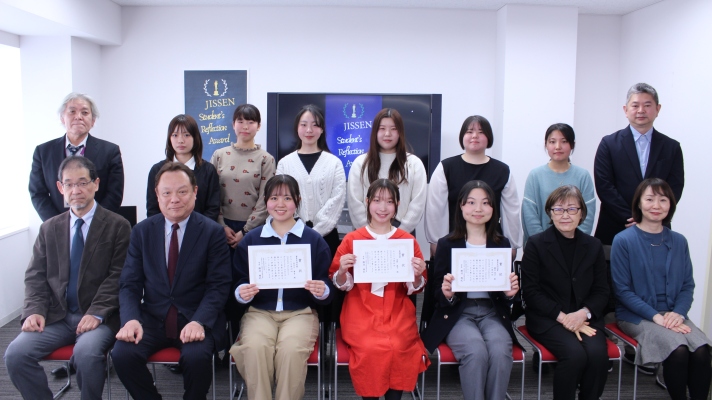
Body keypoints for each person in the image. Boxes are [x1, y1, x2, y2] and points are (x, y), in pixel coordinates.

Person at [5, 156, 130, 400]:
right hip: (57, 316)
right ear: (60, 188)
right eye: (69, 184)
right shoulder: (49, 228)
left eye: (82, 182)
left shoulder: (118, 225)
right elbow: (36, 275)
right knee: (16, 354)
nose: (76, 190)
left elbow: (119, 276)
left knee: (86, 354)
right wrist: (34, 310)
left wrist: (96, 313)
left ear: (96, 184)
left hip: (100, 318)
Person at [111, 162, 231, 400]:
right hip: (153, 318)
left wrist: (199, 321)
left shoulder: (212, 232)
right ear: (157, 195)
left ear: (195, 192)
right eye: (166, 193)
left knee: (197, 358)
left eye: (182, 191)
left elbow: (218, 286)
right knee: (122, 354)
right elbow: (130, 284)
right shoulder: (142, 231)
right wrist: (131, 319)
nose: (174, 199)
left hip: (195, 317)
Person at [230, 174, 334, 400]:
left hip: (301, 313)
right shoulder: (252, 239)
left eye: (287, 198)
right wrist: (242, 292)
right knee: (255, 348)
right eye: (274, 198)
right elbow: (238, 281)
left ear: (297, 201)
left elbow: (327, 285)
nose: (280, 204)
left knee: (291, 351)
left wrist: (322, 290)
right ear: (265, 201)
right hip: (259, 312)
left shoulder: (313, 240)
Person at [611, 178, 711, 400]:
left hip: (674, 315)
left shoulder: (679, 241)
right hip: (637, 316)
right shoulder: (623, 240)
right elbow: (622, 290)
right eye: (649, 199)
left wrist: (679, 313)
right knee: (678, 350)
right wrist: (656, 317)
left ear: (670, 205)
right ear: (639, 203)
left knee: (702, 350)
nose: (656, 206)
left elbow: (687, 285)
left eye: (663, 200)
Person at [331, 178, 430, 400]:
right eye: (377, 200)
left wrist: (417, 274)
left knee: (400, 345)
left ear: (397, 205)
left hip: (397, 310)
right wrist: (342, 270)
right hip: (361, 309)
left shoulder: (406, 240)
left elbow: (416, 287)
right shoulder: (352, 239)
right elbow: (339, 283)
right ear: (367, 202)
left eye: (389, 202)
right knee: (370, 348)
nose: (382, 208)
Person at [421, 180, 520, 400]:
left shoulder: (502, 243)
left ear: (493, 208)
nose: (478, 209)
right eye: (471, 202)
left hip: (491, 312)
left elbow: (508, 294)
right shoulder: (446, 244)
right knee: (475, 352)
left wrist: (510, 294)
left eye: (485, 203)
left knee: (501, 351)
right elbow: (436, 292)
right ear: (461, 206)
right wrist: (446, 294)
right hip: (458, 313)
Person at [521, 185, 610, 400]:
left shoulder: (594, 245)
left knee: (598, 355)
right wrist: (564, 318)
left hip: (584, 317)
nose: (565, 215)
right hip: (549, 318)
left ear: (581, 213)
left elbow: (602, 291)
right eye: (558, 209)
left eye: (571, 209)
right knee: (574, 355)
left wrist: (582, 314)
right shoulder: (536, 244)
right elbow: (530, 292)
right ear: (550, 213)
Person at [594, 83, 684, 246]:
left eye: (647, 105)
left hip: (657, 227)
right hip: (615, 226)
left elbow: (675, 187)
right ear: (626, 110)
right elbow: (604, 186)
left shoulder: (672, 147)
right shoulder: (609, 144)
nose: (641, 110)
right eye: (635, 105)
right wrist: (633, 217)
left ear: (657, 109)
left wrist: (649, 217)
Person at [425, 115, 522, 256]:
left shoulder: (502, 170)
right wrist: (436, 242)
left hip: (493, 244)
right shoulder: (446, 167)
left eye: (481, 132)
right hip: (454, 242)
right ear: (462, 136)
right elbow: (435, 210)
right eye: (469, 131)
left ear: (489, 137)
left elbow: (511, 212)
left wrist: (512, 245)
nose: (475, 136)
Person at [29, 92, 124, 221]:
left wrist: (94, 223)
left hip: (98, 226)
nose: (78, 117)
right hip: (58, 226)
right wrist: (58, 224)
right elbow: (38, 193)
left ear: (93, 120)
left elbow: (114, 194)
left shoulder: (110, 151)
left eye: (84, 113)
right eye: (72, 111)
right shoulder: (43, 152)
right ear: (62, 118)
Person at [276, 104, 346, 256]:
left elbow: (337, 199)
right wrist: (297, 229)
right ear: (297, 128)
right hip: (291, 235)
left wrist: (315, 232)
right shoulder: (284, 163)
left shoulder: (334, 163)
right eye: (304, 125)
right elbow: (280, 199)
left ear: (322, 129)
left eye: (315, 125)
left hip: (327, 237)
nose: (309, 130)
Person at [347, 108, 426, 234]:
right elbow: (354, 202)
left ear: (400, 132)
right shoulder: (360, 163)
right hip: (366, 233)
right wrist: (370, 232)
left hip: (403, 233)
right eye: (382, 128)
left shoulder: (414, 164)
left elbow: (417, 203)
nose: (387, 134)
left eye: (393, 129)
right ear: (375, 132)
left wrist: (399, 233)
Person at [211, 103, 276, 248]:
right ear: (233, 124)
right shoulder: (219, 155)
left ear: (258, 126)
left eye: (250, 122)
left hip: (254, 228)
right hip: (220, 226)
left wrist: (246, 231)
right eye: (240, 121)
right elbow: (212, 194)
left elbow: (265, 198)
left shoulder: (266, 159)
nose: (245, 127)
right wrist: (221, 225)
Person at [522, 123, 596, 245]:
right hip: (541, 247)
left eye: (564, 141)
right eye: (552, 142)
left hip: (575, 246)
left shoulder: (583, 176)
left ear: (572, 144)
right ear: (546, 144)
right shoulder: (535, 175)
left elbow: (587, 216)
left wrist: (572, 243)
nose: (558, 147)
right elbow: (529, 216)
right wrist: (543, 245)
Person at [146, 114, 220, 221]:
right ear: (169, 138)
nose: (180, 140)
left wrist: (198, 228)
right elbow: (152, 210)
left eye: (186, 135)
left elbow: (213, 209)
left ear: (195, 138)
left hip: (201, 229)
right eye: (175, 135)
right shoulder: (157, 170)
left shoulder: (208, 170)